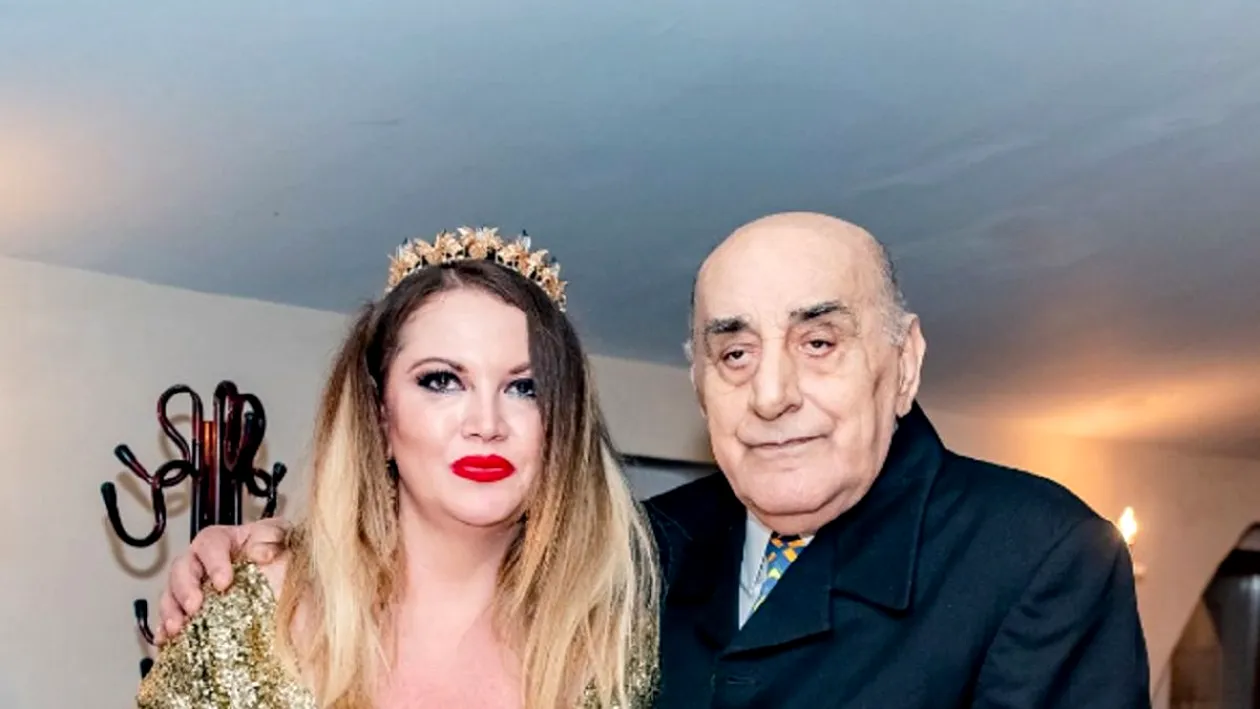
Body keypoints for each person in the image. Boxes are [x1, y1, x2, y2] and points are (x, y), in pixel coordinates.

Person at [154, 213, 1151, 708]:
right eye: (735, 350)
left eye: (819, 340)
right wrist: (263, 546)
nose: (773, 392)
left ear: (906, 361)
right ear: (699, 379)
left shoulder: (1037, 552)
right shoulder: (645, 555)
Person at [135, 227, 660, 709]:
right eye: (441, 381)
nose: (486, 423)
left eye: (526, 388)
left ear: (563, 424)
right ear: (380, 416)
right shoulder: (248, 614)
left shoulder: (613, 647)